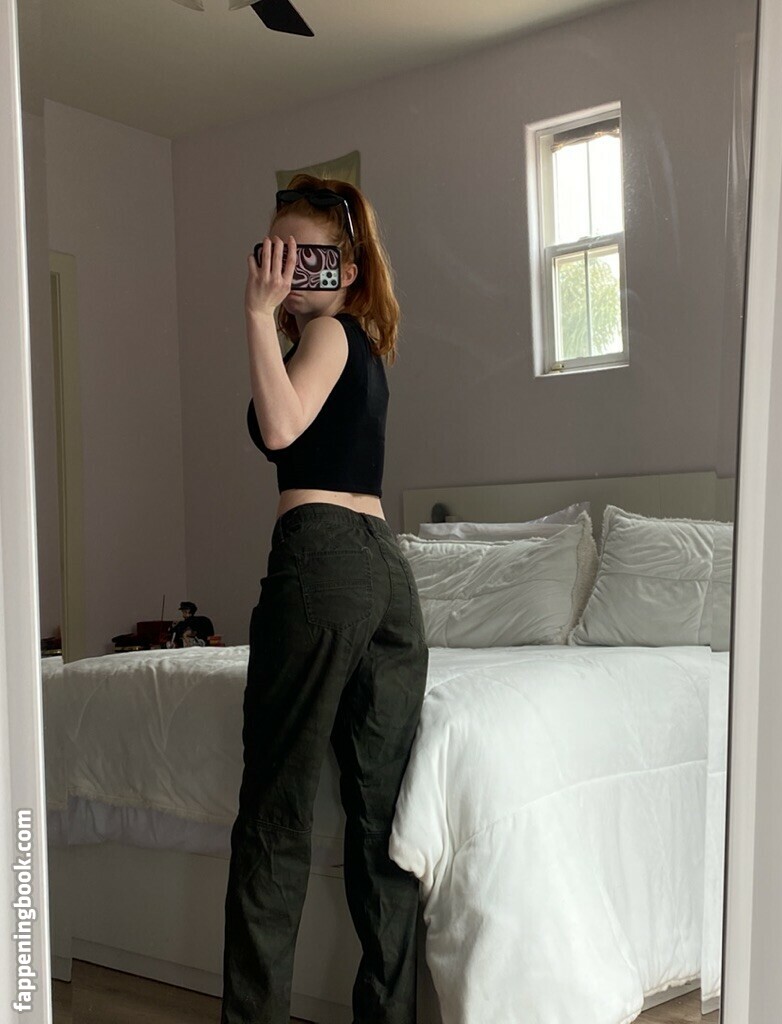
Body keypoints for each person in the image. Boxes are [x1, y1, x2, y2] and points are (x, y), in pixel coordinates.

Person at [221, 176, 429, 1024]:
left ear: (345, 267)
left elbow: (280, 429)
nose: (287, 269)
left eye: (308, 256)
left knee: (275, 812)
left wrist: (254, 316)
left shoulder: (330, 335)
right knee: (382, 826)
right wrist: (272, 324)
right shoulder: (361, 345)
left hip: (322, 562)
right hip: (387, 575)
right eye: (275, 252)